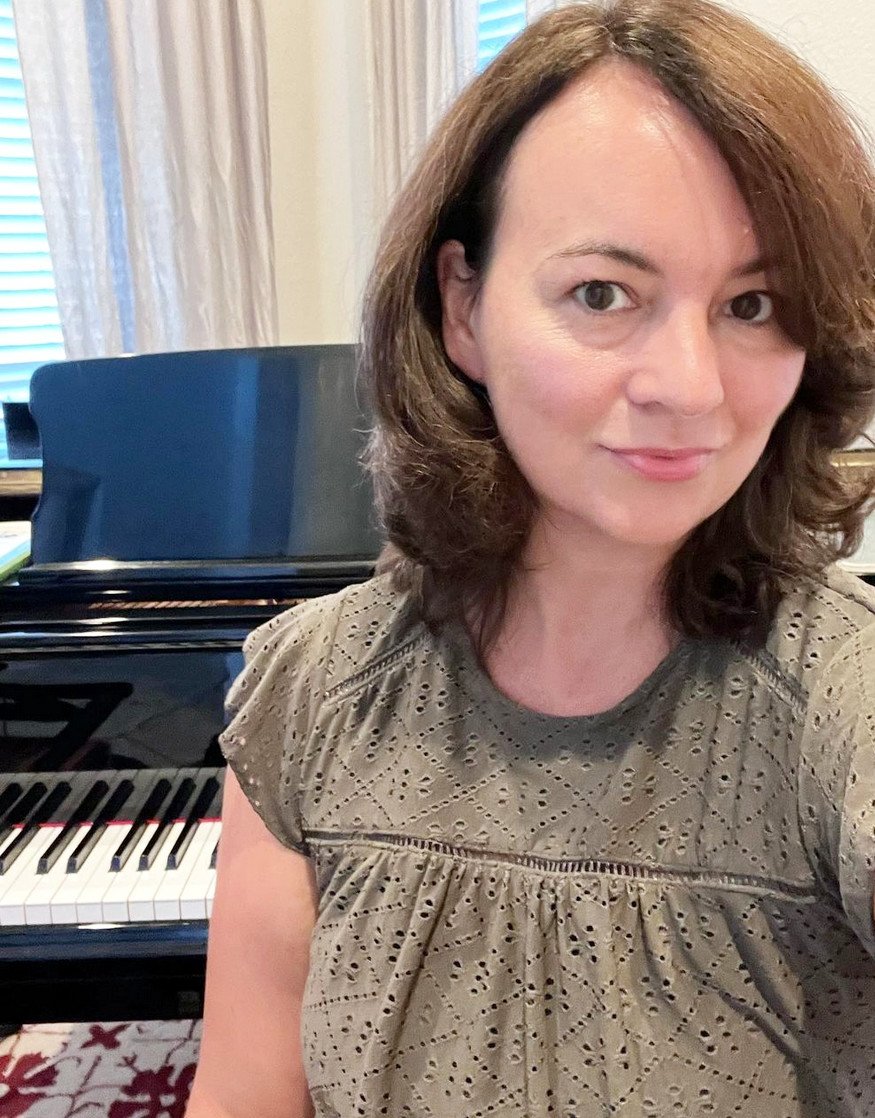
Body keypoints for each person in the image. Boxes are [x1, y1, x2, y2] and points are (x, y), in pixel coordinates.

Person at [186, 1, 875, 1114]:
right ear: (462, 305)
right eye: (601, 293)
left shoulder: (839, 691)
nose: (690, 388)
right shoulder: (315, 688)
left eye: (751, 304)